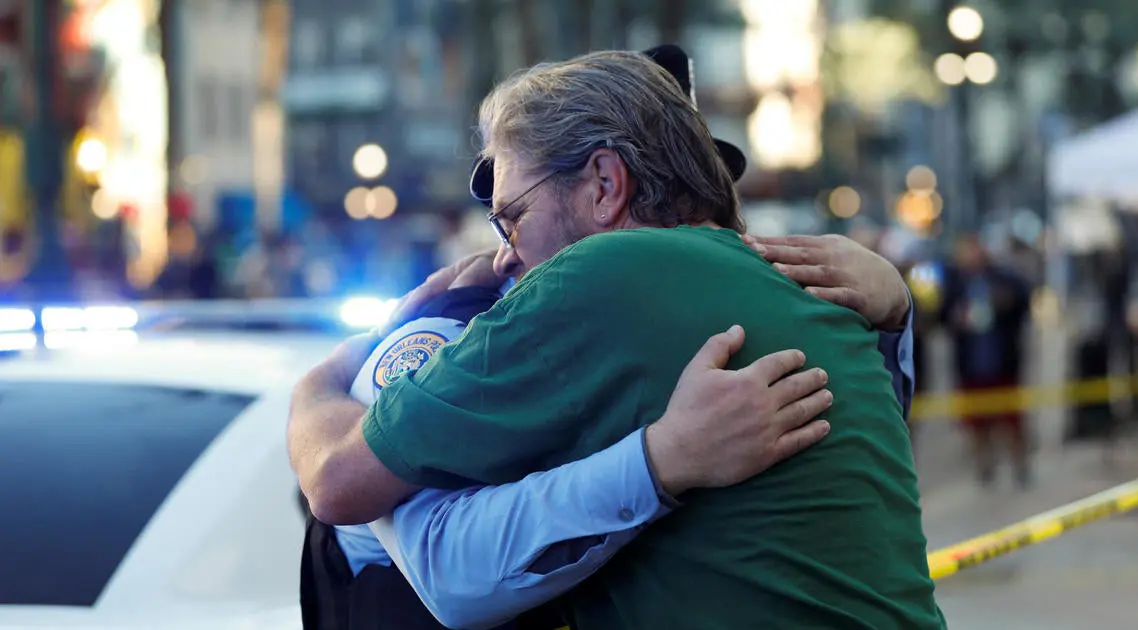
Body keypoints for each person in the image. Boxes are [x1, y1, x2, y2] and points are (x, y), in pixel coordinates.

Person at [290, 50, 941, 629]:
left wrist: (320, 382)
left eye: (513, 217)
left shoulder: (599, 274)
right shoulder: (813, 286)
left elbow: (338, 483)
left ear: (605, 185)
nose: (508, 258)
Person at [940, 234, 1032, 488]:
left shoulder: (1004, 277)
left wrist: (1006, 301)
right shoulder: (956, 282)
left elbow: (1023, 303)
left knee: (1012, 421)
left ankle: (1020, 466)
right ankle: (985, 466)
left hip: (1002, 361)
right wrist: (955, 317)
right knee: (977, 423)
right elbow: (942, 314)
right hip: (971, 365)